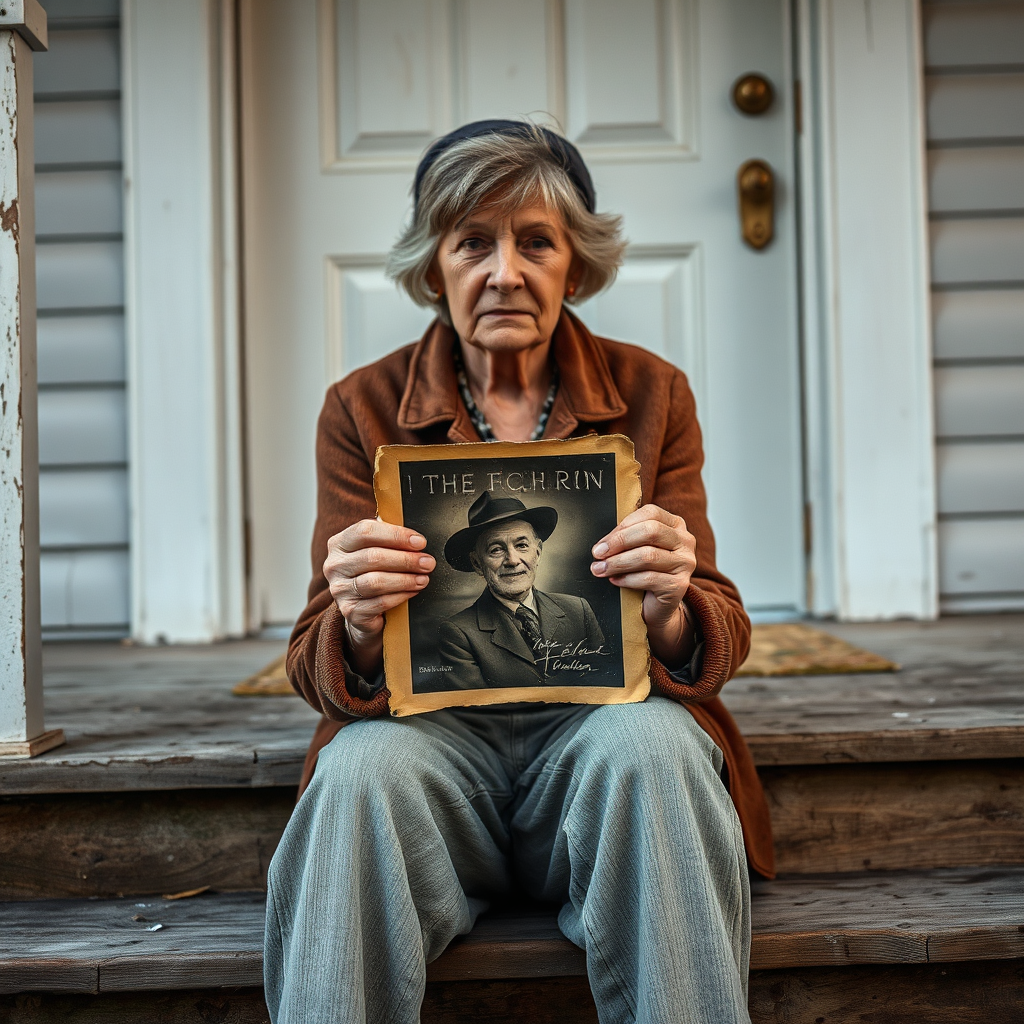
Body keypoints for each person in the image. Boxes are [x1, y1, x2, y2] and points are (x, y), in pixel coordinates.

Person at [267, 120, 774, 1024]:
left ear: (574, 266)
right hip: (435, 760)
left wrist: (670, 607)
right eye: (473, 243)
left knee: (656, 747)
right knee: (357, 772)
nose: (505, 271)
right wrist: (350, 618)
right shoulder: (361, 406)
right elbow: (315, 662)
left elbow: (719, 628)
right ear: (434, 268)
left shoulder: (654, 393)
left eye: (535, 241)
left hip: (596, 753)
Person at [434, 491, 607, 690]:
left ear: (538, 553)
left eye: (522, 545)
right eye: (496, 550)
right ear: (477, 563)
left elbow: (603, 684)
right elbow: (479, 712)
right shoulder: (458, 633)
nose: (513, 560)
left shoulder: (578, 610)